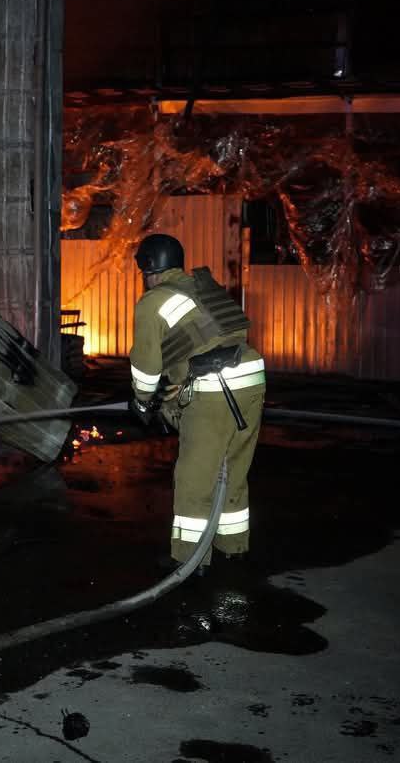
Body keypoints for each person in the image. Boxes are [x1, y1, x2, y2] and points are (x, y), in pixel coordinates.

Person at [128, 234, 266, 570]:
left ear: (149, 269)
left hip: (215, 389)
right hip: (251, 378)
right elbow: (217, 338)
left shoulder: (152, 301)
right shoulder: (204, 287)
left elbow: (146, 367)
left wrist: (143, 402)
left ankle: (190, 560)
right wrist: (178, 382)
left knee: (195, 478)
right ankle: (233, 546)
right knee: (233, 469)